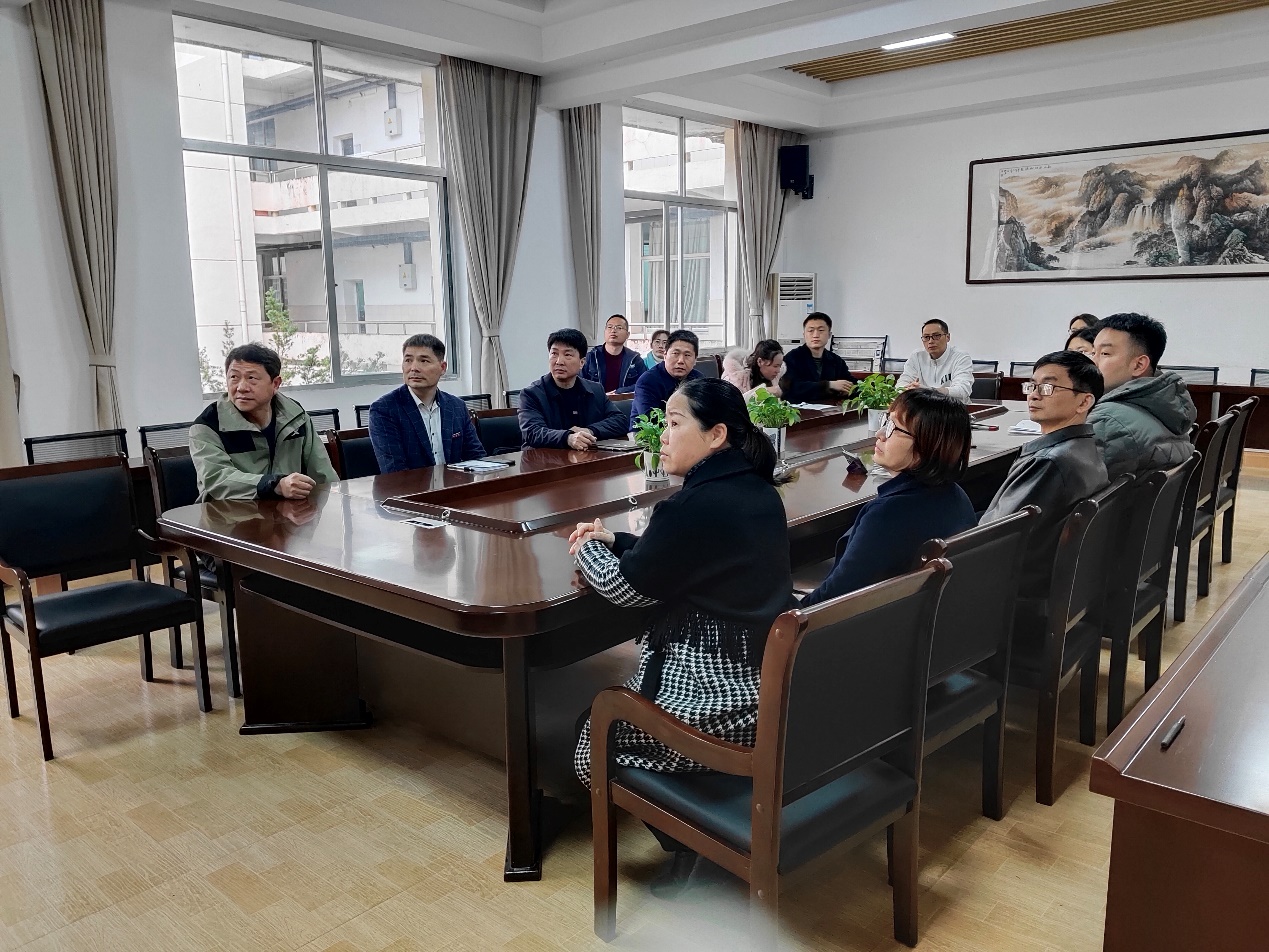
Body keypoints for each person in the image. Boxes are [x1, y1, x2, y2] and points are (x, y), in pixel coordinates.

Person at [569, 378, 792, 895]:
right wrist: (616, 538)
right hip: (764, 686)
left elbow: (628, 589)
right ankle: (704, 816)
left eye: (673, 424)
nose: (661, 436)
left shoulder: (696, 505)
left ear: (716, 435)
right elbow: (680, 555)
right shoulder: (757, 490)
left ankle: (695, 842)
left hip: (720, 703)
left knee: (591, 738)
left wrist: (586, 548)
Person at [799, 389, 976, 607]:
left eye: (893, 427)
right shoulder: (956, 495)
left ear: (926, 446)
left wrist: (790, 613)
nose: (880, 433)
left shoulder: (887, 515)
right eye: (886, 421)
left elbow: (830, 601)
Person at [980, 351, 1109, 598]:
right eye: (1032, 386)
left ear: (1084, 402)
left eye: (1048, 387)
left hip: (1012, 588)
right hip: (1046, 574)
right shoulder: (1084, 447)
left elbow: (993, 537)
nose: (1034, 395)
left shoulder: (1051, 462)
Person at [190, 342, 338, 501]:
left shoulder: (296, 418)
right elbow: (217, 480)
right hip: (228, 514)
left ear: (275, 384)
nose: (241, 387)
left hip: (290, 512)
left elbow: (324, 476)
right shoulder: (208, 426)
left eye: (251, 378)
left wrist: (336, 505)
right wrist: (274, 485)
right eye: (234, 377)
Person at [1088, 312, 1197, 479]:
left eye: (1105, 353)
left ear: (1139, 365)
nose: (1092, 362)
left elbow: (1074, 485)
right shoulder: (1165, 403)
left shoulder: (1107, 420)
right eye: (1093, 353)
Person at [368, 335, 486, 474]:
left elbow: (476, 457)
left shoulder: (456, 406)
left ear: (442, 367)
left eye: (423, 361)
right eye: (408, 360)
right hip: (410, 487)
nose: (413, 368)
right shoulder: (384, 410)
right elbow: (395, 471)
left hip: (456, 485)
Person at [519, 328, 629, 450]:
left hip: (586, 457)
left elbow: (620, 421)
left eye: (567, 355)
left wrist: (589, 431)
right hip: (544, 459)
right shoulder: (531, 394)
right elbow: (532, 432)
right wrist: (568, 438)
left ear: (582, 362)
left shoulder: (595, 390)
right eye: (554, 354)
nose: (559, 361)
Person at [778, 312, 856, 403]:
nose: (815, 335)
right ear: (804, 335)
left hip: (830, 409)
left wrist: (848, 390)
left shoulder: (836, 361)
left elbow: (851, 383)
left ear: (829, 335)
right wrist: (829, 385)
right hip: (800, 410)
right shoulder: (792, 358)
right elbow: (792, 388)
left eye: (821, 330)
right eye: (811, 331)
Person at [896, 319, 975, 403]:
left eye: (936, 336)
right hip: (924, 407)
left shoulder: (960, 357)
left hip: (953, 407)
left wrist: (929, 391)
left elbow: (962, 390)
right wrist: (908, 389)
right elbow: (902, 383)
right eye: (926, 337)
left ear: (948, 337)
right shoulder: (917, 356)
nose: (930, 341)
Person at [631, 329, 702, 421]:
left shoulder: (699, 380)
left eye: (687, 355)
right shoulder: (647, 381)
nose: (681, 361)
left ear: (695, 359)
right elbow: (651, 421)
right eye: (675, 353)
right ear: (665, 355)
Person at [581, 314, 648, 393]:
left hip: (624, 400)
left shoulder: (635, 359)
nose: (613, 331)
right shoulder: (591, 357)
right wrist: (600, 394)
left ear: (627, 335)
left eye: (619, 328)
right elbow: (579, 383)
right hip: (596, 400)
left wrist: (619, 392)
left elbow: (644, 384)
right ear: (605, 331)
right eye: (610, 327)